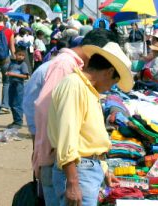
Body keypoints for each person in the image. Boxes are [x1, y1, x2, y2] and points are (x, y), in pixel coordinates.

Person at [46, 42, 134, 206]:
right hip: (79, 171)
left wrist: (104, 169)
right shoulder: (74, 85)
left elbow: (87, 136)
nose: (109, 88)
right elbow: (67, 135)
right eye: (113, 83)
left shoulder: (86, 89)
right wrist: (72, 182)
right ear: (109, 72)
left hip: (86, 169)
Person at [27, 28, 109, 202]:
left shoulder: (74, 68)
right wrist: (61, 163)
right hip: (57, 158)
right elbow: (49, 112)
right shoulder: (66, 67)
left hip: (58, 157)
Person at [5, 48, 32, 129]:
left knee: (17, 104)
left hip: (19, 86)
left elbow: (26, 76)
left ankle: (18, 122)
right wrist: (8, 73)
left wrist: (13, 74)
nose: (20, 57)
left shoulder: (23, 65)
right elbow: (8, 71)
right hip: (12, 84)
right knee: (11, 103)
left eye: (22, 55)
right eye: (19, 55)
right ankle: (15, 120)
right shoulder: (12, 64)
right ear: (15, 55)